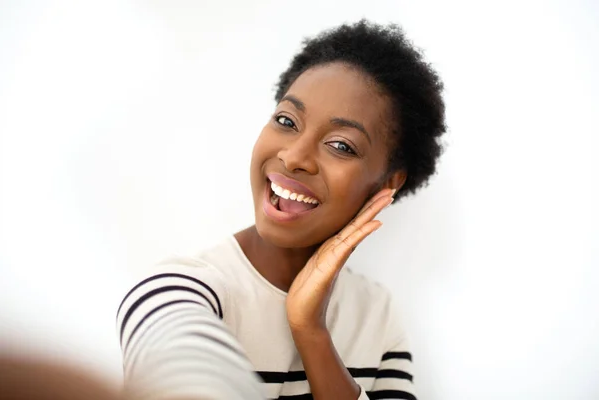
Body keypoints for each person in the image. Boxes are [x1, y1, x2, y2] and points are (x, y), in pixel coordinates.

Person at [117, 19, 445, 400]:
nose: (293, 157)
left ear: (388, 183)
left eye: (341, 145)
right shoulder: (177, 291)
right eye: (287, 121)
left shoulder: (377, 314)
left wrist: (311, 332)